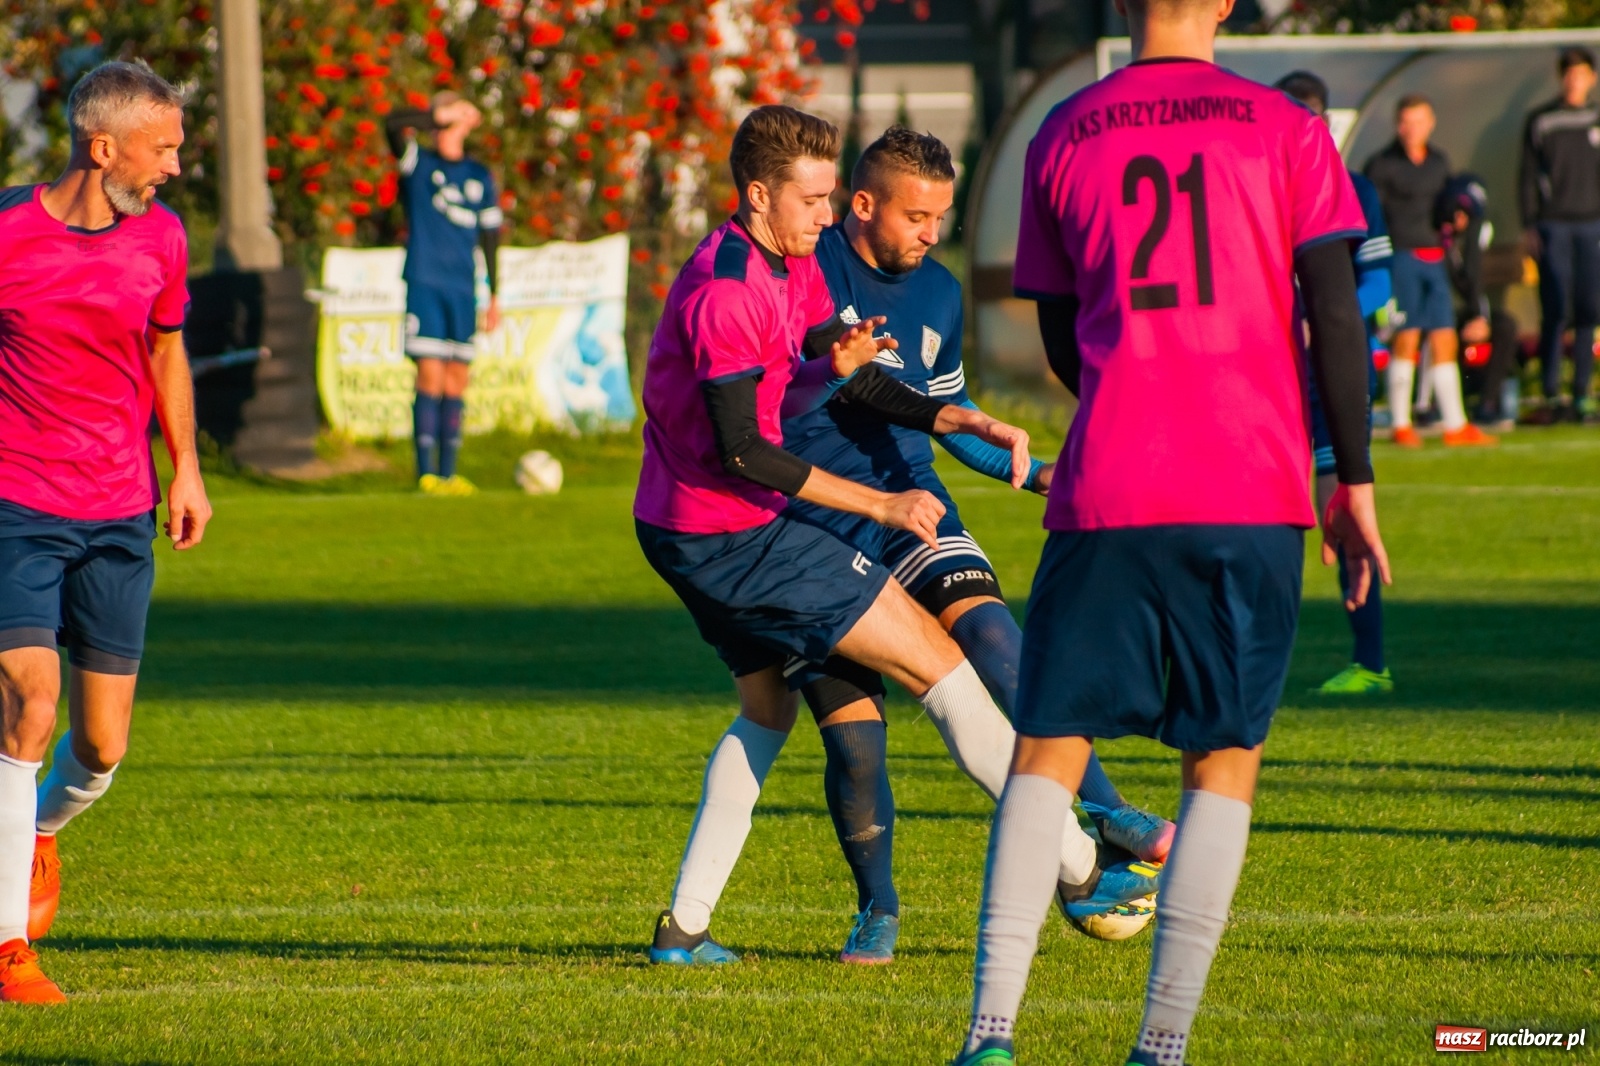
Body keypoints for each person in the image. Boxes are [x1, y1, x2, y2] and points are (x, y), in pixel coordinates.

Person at [950, 0, 1391, 1061]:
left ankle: (991, 1032)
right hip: (1251, 484)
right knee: (1223, 759)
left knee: (1048, 752)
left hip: (1111, 480)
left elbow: (1061, 333)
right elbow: (1334, 313)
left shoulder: (1066, 127)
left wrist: (1130, 389)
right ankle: (1161, 1046)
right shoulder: (1284, 129)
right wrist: (1353, 482)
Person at [633, 105, 1037, 967]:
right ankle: (1080, 869)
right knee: (941, 663)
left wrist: (943, 411)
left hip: (686, 524)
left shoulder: (793, 264)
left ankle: (684, 930)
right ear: (757, 195)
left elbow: (844, 375)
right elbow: (746, 450)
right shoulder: (729, 293)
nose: (827, 215)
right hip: (733, 533)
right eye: (814, 199)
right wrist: (882, 505)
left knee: (766, 708)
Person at [779, 127, 1170, 964]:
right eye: (916, 216)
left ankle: (1100, 807)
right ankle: (877, 909)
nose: (931, 233)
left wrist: (1049, 478)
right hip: (818, 519)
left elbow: (954, 428)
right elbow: (858, 380)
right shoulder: (811, 271)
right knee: (854, 736)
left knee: (990, 629)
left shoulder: (944, 294)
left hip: (917, 504)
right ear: (862, 205)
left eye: (941, 217)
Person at [0, 61, 212, 1003]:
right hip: (15, 507)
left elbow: (166, 348)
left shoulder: (161, 239)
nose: (174, 164)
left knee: (101, 745)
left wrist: (188, 469)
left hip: (119, 508)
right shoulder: (5, 233)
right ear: (102, 147)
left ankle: (38, 833)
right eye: (162, 146)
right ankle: (8, 947)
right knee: (29, 705)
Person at [1276, 71, 1396, 696]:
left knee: (1344, 511)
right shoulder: (1256, 183)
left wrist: (1326, 317)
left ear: (1321, 123)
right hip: (1268, 379)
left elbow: (1379, 282)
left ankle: (1370, 664)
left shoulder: (1352, 188)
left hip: (1327, 378)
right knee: (1251, 524)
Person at [385, 92, 503, 495]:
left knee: (457, 377)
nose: (449, 123)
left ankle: (449, 474)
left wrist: (494, 296)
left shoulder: (478, 174)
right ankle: (425, 475)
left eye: (458, 113)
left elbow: (490, 237)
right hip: (425, 281)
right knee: (430, 372)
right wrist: (438, 113)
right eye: (443, 115)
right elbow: (391, 122)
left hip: (462, 286)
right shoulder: (419, 163)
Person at [1365, 94, 1496, 447]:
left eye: (1419, 121)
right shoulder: (1381, 165)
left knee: (1443, 337)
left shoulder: (1439, 162)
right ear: (1398, 125)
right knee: (1407, 338)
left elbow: (1449, 204)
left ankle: (1455, 425)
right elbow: (1370, 215)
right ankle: (1401, 424)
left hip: (1435, 258)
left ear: (1431, 123)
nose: (1412, 128)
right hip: (1401, 258)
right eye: (1406, 121)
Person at [1519, 46, 1600, 424]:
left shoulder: (1597, 118)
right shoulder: (1541, 120)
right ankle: (1551, 394)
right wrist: (1530, 224)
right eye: (1569, 73)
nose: (1574, 80)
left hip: (1592, 225)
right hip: (1554, 225)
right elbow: (1527, 177)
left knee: (1588, 310)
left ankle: (1582, 393)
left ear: (1592, 78)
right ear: (1561, 78)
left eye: (1581, 73)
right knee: (1556, 308)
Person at [1439, 174, 1522, 432]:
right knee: (1441, 333)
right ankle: (1436, 406)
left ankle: (1488, 402)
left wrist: (1480, 318)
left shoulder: (1477, 235)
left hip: (1473, 312)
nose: (1463, 219)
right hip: (1442, 313)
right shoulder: (1436, 237)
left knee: (1506, 326)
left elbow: (1474, 280)